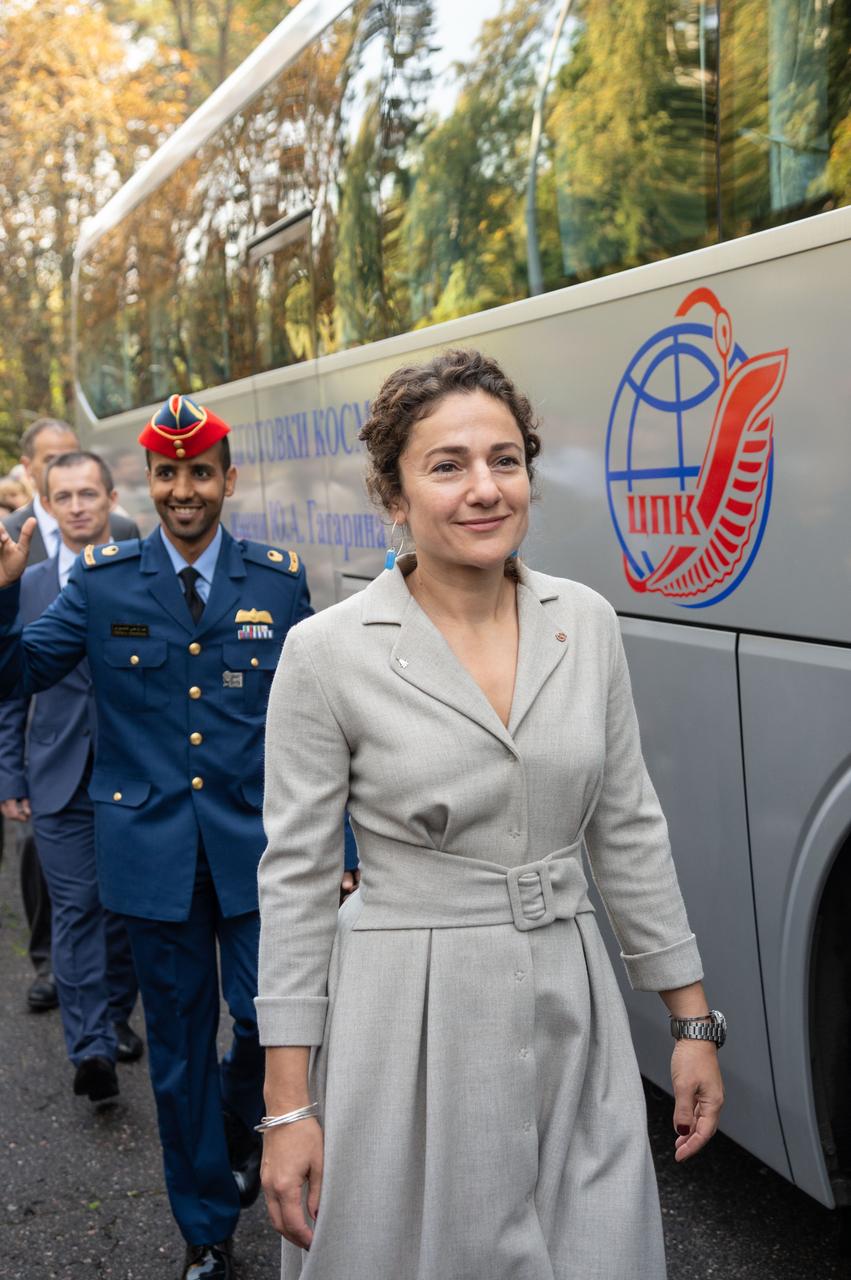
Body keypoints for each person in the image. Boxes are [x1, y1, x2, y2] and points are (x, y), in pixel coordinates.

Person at [255, 349, 726, 1280]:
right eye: (447, 465)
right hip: (404, 1018)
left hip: (569, 998)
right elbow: (298, 881)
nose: (484, 489)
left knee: (594, 1248)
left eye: (504, 460)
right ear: (392, 494)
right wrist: (288, 1109)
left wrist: (690, 1023)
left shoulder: (584, 622)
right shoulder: (324, 653)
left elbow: (626, 824)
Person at [0, 395, 314, 1280]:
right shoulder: (99, 583)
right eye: (169, 474)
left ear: (226, 480)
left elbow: (320, 726)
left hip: (257, 852)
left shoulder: (276, 580)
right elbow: (18, 672)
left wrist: (345, 850)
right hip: (152, 858)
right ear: (151, 479)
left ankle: (234, 1115)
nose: (184, 491)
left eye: (200, 473)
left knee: (265, 1020)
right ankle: (206, 1229)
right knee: (174, 1051)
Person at [0, 450, 142, 1101]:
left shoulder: (145, 573)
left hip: (135, 774)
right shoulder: (25, 583)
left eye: (90, 493)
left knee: (125, 912)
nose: (80, 505)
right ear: (49, 506)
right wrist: (10, 775)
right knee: (77, 910)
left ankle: (114, 1015)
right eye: (66, 496)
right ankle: (91, 1049)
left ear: (111, 499)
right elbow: (10, 692)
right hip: (56, 772)